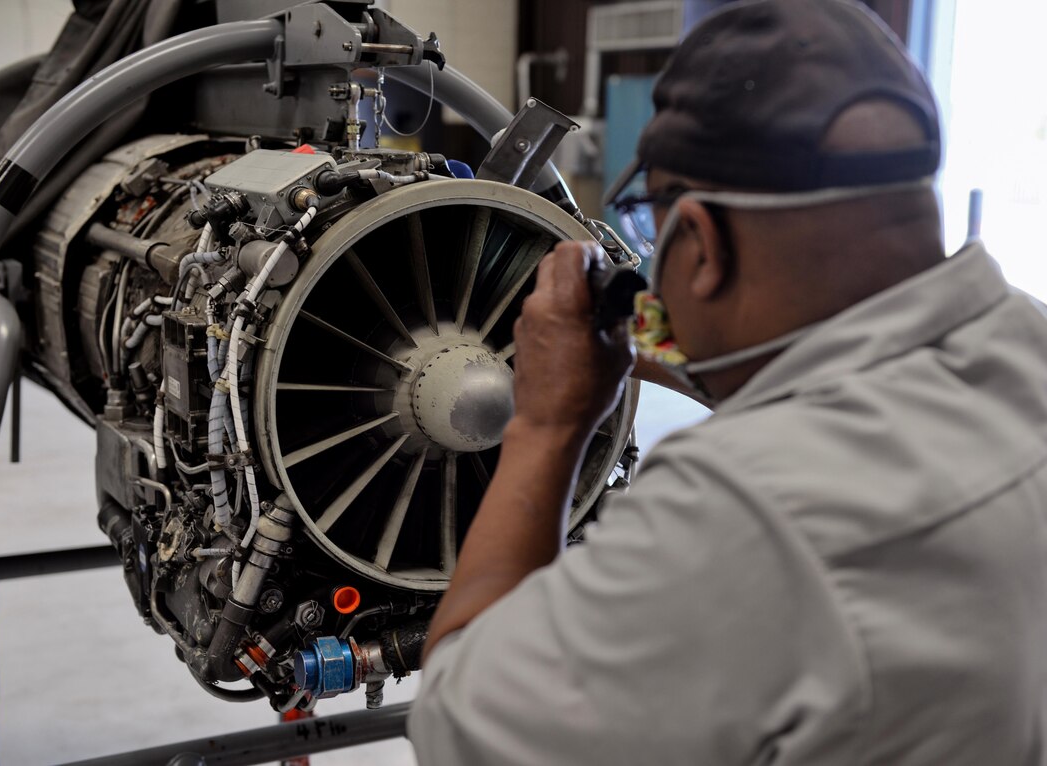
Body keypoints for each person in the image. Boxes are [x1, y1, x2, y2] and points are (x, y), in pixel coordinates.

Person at [407, 0, 1047, 763]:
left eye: (651, 224)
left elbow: (461, 724)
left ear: (702, 241)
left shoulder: (742, 509)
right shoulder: (1025, 343)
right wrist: (706, 355)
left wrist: (548, 425)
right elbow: (853, 369)